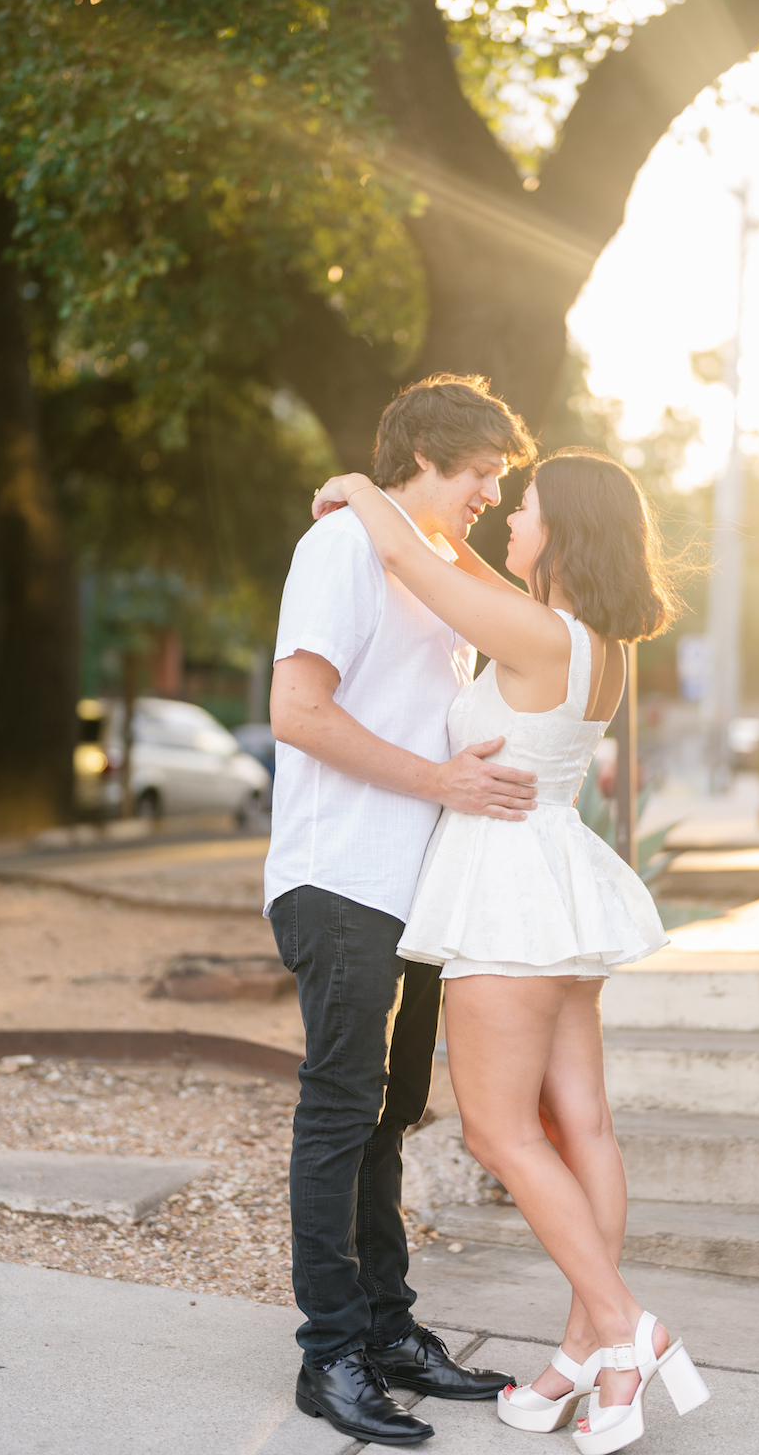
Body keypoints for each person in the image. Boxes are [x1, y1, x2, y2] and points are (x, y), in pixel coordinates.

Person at [311, 447, 711, 1455]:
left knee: (498, 1132)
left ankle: (624, 1326)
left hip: (507, 893)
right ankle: (590, 1357)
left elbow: (423, 572)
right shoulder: (592, 642)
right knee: (584, 1126)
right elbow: (469, 576)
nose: (509, 521)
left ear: (563, 531)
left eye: (524, 508)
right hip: (558, 882)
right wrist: (440, 528)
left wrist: (363, 490)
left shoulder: (537, 636)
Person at [264, 374, 538, 1446]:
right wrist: (443, 784)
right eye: (482, 474)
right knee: (343, 1114)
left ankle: (385, 1329)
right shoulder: (338, 551)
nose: (489, 494)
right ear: (427, 450)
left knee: (390, 1116)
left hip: (414, 891)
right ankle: (328, 1353)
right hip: (341, 882)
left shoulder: (422, 568)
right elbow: (297, 711)